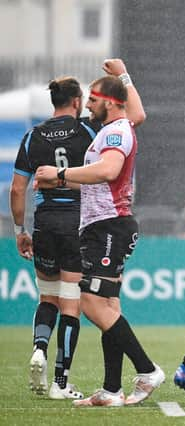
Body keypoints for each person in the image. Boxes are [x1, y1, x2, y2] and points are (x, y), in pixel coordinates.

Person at [34, 69, 164, 408]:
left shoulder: (117, 132)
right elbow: (98, 179)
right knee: (109, 306)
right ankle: (110, 389)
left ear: (110, 103)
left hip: (108, 227)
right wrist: (59, 181)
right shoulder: (111, 130)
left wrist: (60, 172)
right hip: (102, 225)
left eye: (93, 100)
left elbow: (107, 171)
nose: (87, 105)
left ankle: (148, 370)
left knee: (91, 304)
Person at [11, 77, 98, 400]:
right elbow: (101, 178)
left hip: (44, 224)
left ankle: (39, 348)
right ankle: (61, 382)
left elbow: (17, 188)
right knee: (70, 304)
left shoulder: (33, 136)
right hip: (76, 224)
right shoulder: (88, 133)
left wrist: (20, 231)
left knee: (47, 298)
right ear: (76, 101)